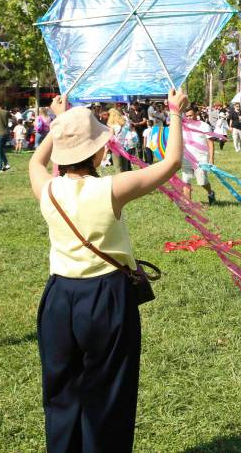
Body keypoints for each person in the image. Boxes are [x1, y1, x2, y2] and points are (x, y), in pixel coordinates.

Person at [28, 89, 186, 453]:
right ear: (98, 152)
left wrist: (60, 124)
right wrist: (175, 111)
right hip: (105, 298)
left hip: (58, 299)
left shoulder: (47, 189)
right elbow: (172, 162)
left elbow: (35, 163)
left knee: (61, 391)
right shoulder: (111, 189)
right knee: (109, 392)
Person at [179, 104, 217, 205]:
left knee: (202, 182)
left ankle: (210, 193)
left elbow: (210, 143)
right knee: (186, 180)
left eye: (190, 115)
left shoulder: (204, 126)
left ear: (197, 113)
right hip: (186, 157)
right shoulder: (183, 126)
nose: (188, 118)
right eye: (186, 116)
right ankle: (188, 203)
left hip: (201, 158)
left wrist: (211, 159)